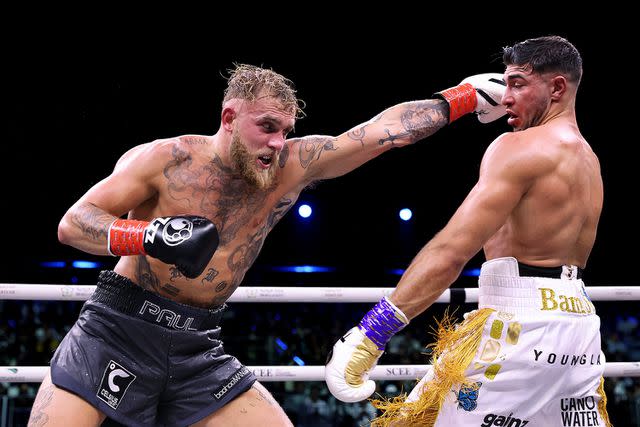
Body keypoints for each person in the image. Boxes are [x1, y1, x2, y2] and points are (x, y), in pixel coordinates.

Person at [28, 64, 506, 426]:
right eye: (268, 126)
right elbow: (74, 224)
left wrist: (461, 99)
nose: (279, 142)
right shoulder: (166, 159)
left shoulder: (291, 167)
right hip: (119, 329)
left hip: (198, 345)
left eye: (285, 131)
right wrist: (149, 235)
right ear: (229, 117)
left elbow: (378, 134)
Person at [326, 36, 612, 426]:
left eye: (517, 84)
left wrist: (371, 333)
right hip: (579, 336)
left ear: (558, 87)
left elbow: (451, 250)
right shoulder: (588, 160)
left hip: (518, 328)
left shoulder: (515, 148)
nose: (505, 97)